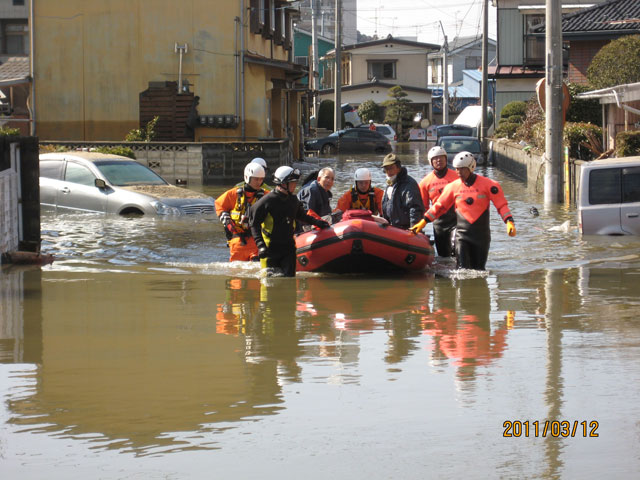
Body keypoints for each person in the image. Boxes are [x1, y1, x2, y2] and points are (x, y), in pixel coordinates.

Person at [410, 151, 516, 270]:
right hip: (462, 236)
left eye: (462, 169)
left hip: (481, 237)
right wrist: (424, 221)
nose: (458, 172)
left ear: (471, 167)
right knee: (462, 270)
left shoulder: (489, 185)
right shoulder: (452, 187)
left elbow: (501, 206)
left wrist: (509, 221)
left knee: (479, 270)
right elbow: (439, 206)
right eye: (456, 169)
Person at [249, 166, 330, 277]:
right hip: (270, 251)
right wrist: (260, 245)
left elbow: (302, 216)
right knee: (269, 288)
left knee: (289, 285)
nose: (295, 185)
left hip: (288, 249)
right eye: (292, 182)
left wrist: (318, 222)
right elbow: (254, 224)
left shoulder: (293, 200)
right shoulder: (266, 201)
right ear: (283, 183)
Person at [216, 162, 268, 261]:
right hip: (237, 242)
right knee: (236, 274)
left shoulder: (266, 196)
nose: (259, 182)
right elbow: (219, 205)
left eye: (261, 179)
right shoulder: (233, 194)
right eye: (256, 179)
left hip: (257, 241)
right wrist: (226, 220)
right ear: (247, 177)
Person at [418, 145, 458, 257]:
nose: (439, 160)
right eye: (435, 158)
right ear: (431, 162)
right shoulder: (425, 182)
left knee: (456, 247)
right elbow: (423, 206)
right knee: (443, 255)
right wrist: (421, 224)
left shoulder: (456, 176)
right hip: (439, 222)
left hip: (456, 219)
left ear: (446, 159)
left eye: (441, 157)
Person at [381, 153, 425, 229]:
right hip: (391, 227)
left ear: (399, 168)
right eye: (386, 169)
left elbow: (415, 208)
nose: (389, 171)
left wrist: (414, 228)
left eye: (391, 168)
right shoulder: (390, 184)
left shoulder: (409, 184)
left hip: (405, 228)